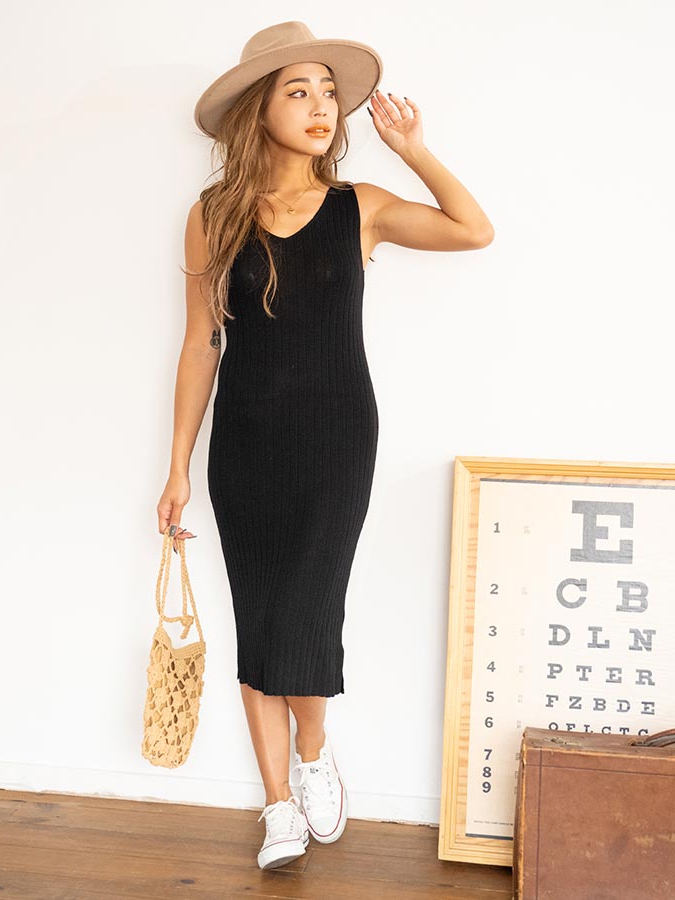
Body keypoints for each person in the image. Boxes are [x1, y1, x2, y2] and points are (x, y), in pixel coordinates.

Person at [157, 21, 494, 870]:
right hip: (245, 445)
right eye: (298, 90)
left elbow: (473, 230)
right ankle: (278, 806)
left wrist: (413, 150)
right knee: (258, 615)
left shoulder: (360, 208)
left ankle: (313, 751)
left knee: (307, 611)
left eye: (328, 92)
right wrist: (176, 469)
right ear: (258, 109)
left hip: (338, 439)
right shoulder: (212, 217)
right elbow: (200, 343)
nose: (320, 106)